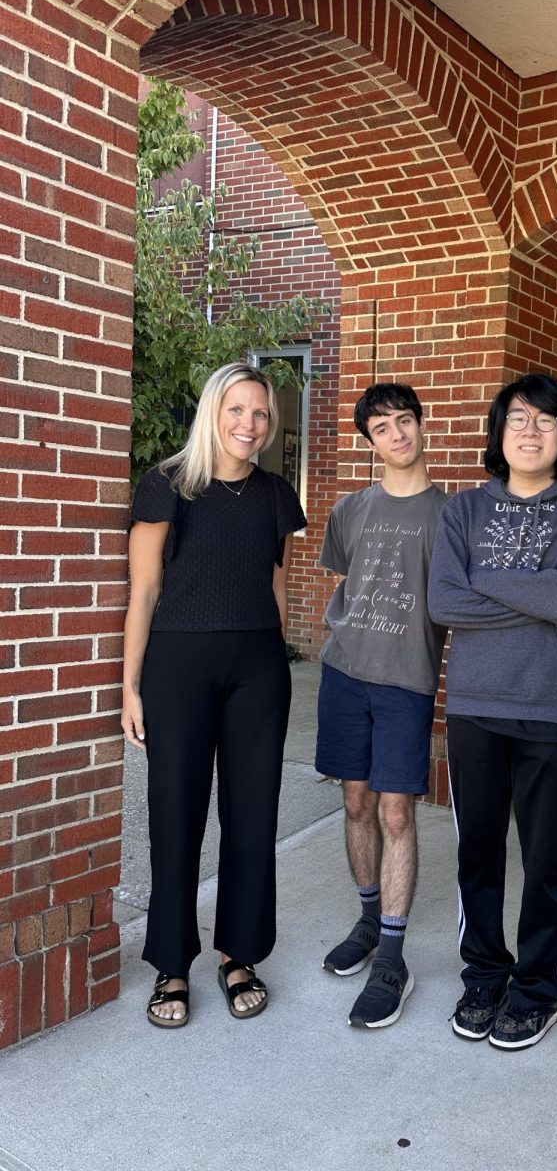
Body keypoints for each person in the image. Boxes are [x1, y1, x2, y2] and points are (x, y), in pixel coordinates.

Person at [428, 373, 557, 1050]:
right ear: (497, 432)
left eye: (545, 420)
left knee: (543, 863)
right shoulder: (461, 511)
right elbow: (442, 603)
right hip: (474, 708)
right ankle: (484, 975)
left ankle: (539, 987)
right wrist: (532, 590)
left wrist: (483, 580)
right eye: (517, 419)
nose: (530, 431)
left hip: (552, 712)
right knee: (476, 854)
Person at [122, 362, 306, 1028]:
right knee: (175, 815)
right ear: (213, 412)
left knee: (252, 814)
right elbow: (143, 591)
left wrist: (275, 653)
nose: (249, 425)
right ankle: (172, 963)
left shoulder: (276, 494)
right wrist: (130, 685)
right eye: (237, 410)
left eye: (260, 414)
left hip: (258, 666)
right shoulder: (167, 484)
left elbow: (277, 585)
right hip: (178, 666)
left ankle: (239, 954)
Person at [316, 382, 447, 1028]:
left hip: (406, 680)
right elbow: (344, 584)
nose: (397, 434)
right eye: (382, 428)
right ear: (368, 443)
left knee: (397, 813)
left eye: (404, 422)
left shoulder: (452, 516)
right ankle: (368, 920)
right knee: (354, 801)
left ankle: (393, 956)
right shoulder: (350, 510)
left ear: (421, 427)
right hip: (345, 674)